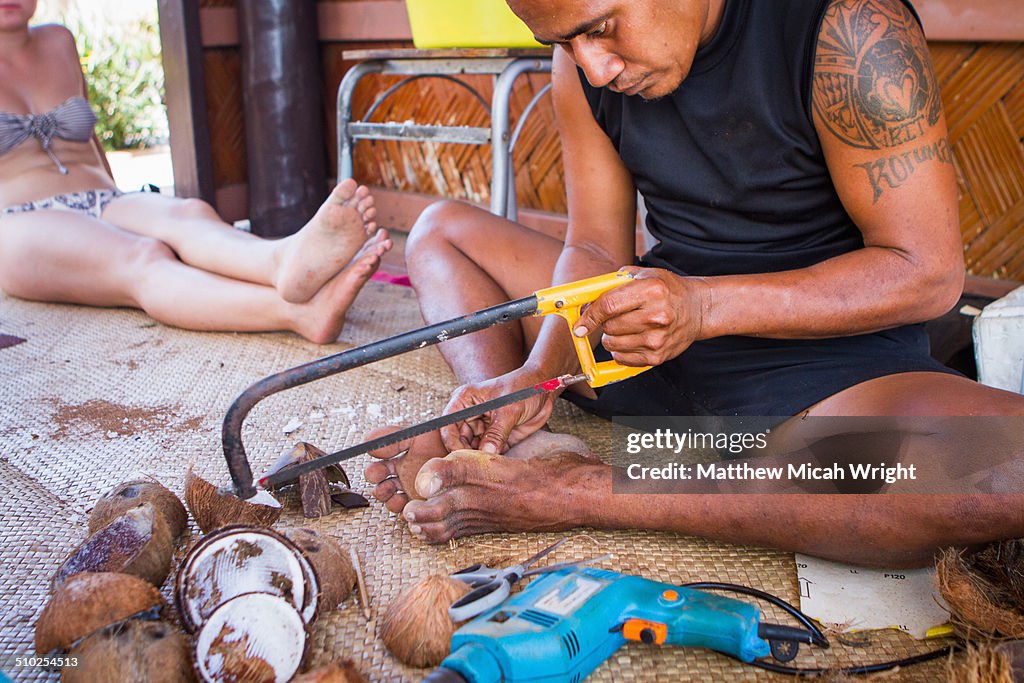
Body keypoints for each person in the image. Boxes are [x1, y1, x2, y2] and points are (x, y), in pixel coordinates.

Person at [364, 0, 1024, 568]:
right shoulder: (582, 62)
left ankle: (574, 488)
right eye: (562, 41)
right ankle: (507, 440)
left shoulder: (854, 30)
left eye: (601, 27)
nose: (593, 67)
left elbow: (929, 272)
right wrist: (539, 374)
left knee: (1003, 470)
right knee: (438, 234)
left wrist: (703, 305)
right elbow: (594, 246)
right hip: (646, 342)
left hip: (827, 378)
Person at [0, 1, 390, 345]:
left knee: (189, 213)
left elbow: (92, 146)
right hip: (19, 219)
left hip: (103, 197)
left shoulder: (59, 41)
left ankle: (282, 262)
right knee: (141, 254)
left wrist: (129, 207)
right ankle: (298, 313)